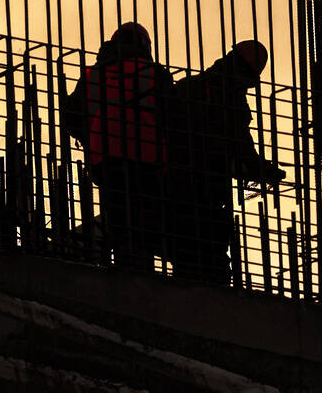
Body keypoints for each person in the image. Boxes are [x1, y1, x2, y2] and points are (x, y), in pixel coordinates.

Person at [161, 40, 284, 285]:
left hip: (173, 181)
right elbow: (241, 147)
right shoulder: (231, 101)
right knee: (211, 250)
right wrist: (263, 170)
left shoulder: (189, 85)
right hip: (206, 185)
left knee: (185, 248)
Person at [63, 22, 172, 269]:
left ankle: (125, 265)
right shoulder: (154, 73)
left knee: (119, 218)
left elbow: (71, 115)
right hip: (147, 159)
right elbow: (175, 117)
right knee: (143, 222)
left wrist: (91, 138)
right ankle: (139, 272)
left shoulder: (92, 75)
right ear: (144, 45)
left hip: (107, 160)